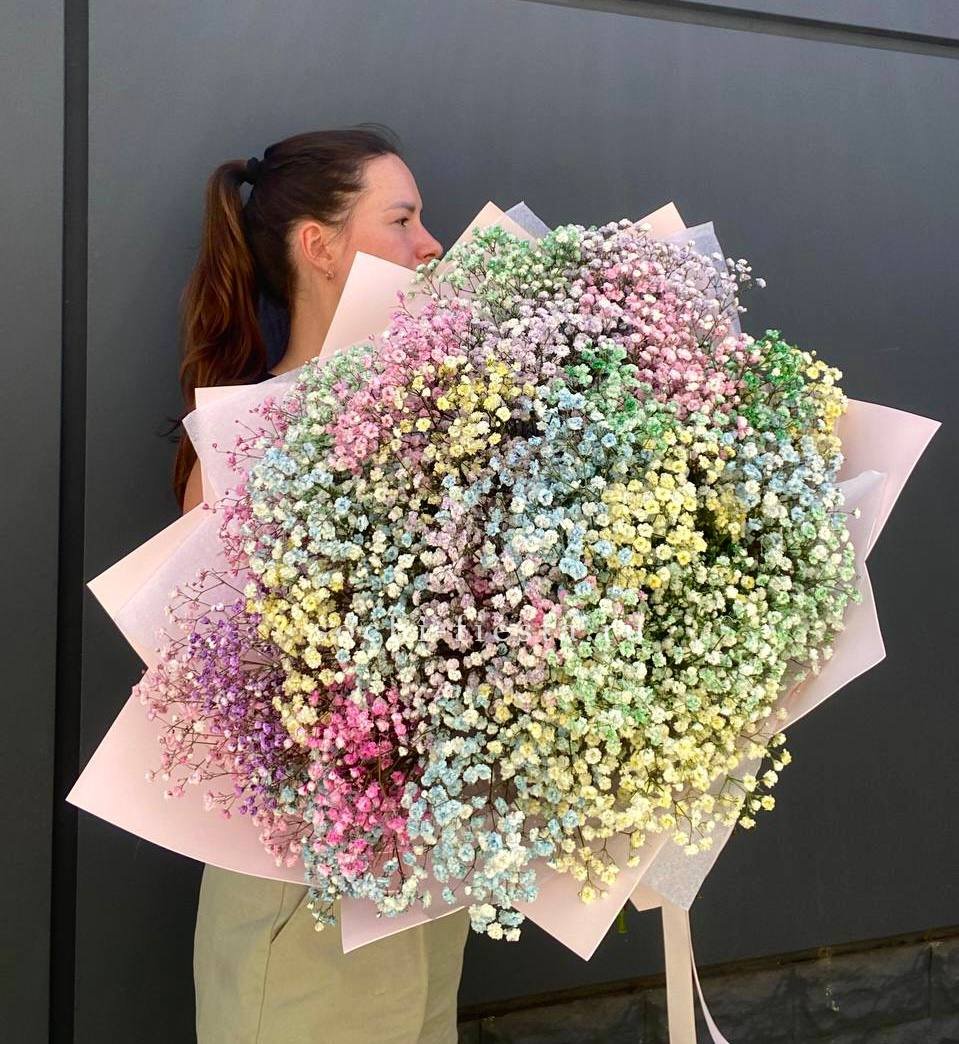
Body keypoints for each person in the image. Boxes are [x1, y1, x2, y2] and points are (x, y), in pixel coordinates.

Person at [169, 125, 470, 1044]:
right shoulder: (241, 447)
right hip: (299, 901)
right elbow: (222, 698)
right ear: (320, 245)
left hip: (426, 887)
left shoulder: (452, 425)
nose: (432, 245)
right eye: (403, 220)